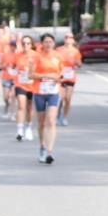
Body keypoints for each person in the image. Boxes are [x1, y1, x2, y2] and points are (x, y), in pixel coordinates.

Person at [30, 33, 63, 164]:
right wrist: (47, 75)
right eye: (46, 42)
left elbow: (61, 74)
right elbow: (30, 75)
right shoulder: (36, 57)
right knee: (42, 122)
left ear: (54, 43)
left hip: (53, 91)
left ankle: (50, 151)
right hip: (39, 91)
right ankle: (42, 147)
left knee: (51, 120)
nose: (48, 44)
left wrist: (58, 78)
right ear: (42, 43)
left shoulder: (58, 56)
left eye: (50, 42)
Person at [55, 32, 83, 126]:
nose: (68, 39)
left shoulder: (75, 51)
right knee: (60, 98)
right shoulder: (59, 50)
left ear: (73, 40)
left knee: (68, 99)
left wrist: (76, 62)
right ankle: (58, 115)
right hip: (61, 77)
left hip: (70, 77)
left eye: (70, 37)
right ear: (64, 39)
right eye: (66, 37)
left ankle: (64, 117)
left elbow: (80, 64)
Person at [14, 35, 37, 141]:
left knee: (29, 107)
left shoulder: (36, 56)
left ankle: (28, 127)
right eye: (23, 43)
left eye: (28, 43)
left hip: (32, 85)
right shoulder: (18, 55)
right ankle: (19, 130)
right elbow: (13, 67)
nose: (25, 45)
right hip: (21, 84)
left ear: (31, 45)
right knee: (21, 106)